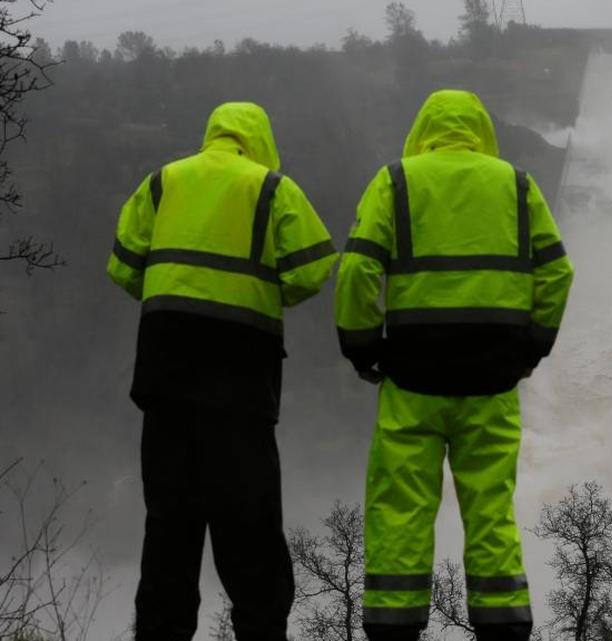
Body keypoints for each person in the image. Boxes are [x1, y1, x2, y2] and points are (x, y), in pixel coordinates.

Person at [335, 89, 574, 641]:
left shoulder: (395, 180)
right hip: (491, 381)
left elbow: (356, 273)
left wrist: (362, 347)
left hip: (412, 378)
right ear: (482, 130)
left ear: (422, 129)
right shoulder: (517, 185)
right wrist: (531, 347)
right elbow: (558, 273)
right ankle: (504, 625)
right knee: (490, 507)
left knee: (401, 507)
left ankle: (394, 627)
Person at [107, 102, 338, 640]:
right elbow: (312, 271)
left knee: (169, 533)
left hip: (164, 381)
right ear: (260, 139)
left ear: (210, 134)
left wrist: (175, 290)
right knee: (251, 538)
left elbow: (122, 267)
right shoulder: (272, 188)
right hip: (240, 387)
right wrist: (262, 290)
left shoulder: (162, 182)